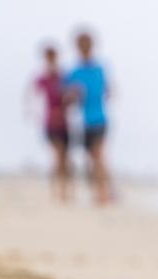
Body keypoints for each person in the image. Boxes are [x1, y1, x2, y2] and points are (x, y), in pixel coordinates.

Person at [64, 30, 114, 205]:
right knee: (91, 159)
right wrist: (73, 95)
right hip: (84, 122)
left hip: (100, 119)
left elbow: (109, 92)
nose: (84, 48)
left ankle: (103, 195)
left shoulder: (100, 69)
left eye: (87, 44)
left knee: (98, 156)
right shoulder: (74, 72)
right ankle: (101, 192)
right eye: (81, 45)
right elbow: (66, 99)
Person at [32, 45, 70, 202]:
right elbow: (33, 97)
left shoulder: (63, 76)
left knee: (64, 158)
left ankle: (63, 190)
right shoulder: (43, 78)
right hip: (50, 122)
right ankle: (57, 191)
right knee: (58, 155)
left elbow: (70, 98)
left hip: (65, 123)